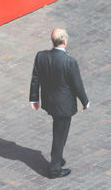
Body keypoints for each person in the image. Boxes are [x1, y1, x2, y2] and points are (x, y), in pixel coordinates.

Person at [29, 28, 89, 179]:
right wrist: (85, 102)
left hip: (50, 102)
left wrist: (34, 99)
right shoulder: (69, 62)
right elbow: (77, 85)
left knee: (59, 132)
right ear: (65, 41)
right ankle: (55, 168)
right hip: (64, 105)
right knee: (60, 135)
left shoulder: (41, 56)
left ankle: (58, 157)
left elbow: (35, 78)